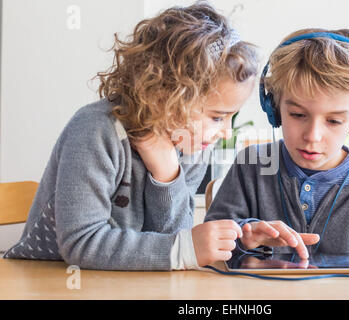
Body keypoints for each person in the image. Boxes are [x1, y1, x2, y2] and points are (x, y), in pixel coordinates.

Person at [3, 2, 258, 270]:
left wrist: (166, 173)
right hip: (43, 280)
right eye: (217, 117)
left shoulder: (194, 147)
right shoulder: (95, 130)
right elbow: (81, 243)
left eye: (231, 117)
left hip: (127, 283)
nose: (226, 132)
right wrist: (184, 247)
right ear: (165, 95)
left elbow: (168, 239)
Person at [205, 28, 349, 259]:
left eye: (333, 121)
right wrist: (244, 238)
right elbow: (210, 254)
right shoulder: (251, 165)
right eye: (297, 115)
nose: (313, 136)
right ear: (273, 108)